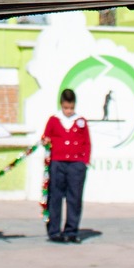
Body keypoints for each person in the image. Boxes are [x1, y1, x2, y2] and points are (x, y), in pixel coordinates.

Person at [41, 88, 91, 243]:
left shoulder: (81, 121)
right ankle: (54, 231)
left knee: (74, 198)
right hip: (58, 163)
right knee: (55, 197)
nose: (68, 111)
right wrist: (46, 141)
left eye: (71, 108)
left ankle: (71, 231)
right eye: (66, 108)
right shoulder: (54, 120)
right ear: (61, 105)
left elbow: (87, 143)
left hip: (76, 165)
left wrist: (84, 161)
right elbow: (45, 136)